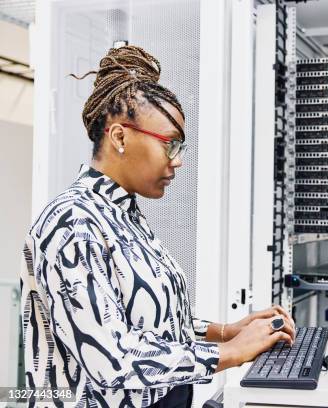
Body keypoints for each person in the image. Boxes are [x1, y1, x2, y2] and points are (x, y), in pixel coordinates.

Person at [21, 45, 295, 407]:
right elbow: (111, 360)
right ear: (119, 137)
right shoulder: (72, 223)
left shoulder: (122, 214)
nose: (178, 161)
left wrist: (227, 331)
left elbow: (148, 320)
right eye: (170, 145)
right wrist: (228, 352)